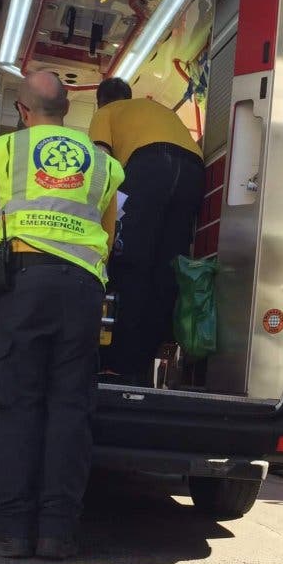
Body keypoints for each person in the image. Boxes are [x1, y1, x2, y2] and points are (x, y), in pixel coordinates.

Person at [0, 71, 124, 560]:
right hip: (81, 291)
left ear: (23, 110)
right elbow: (109, 230)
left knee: (16, 405)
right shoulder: (103, 165)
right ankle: (57, 532)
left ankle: (13, 529)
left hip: (25, 284)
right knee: (70, 408)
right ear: (69, 111)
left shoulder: (7, 150)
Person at [87, 77, 205, 385]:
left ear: (102, 101)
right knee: (168, 266)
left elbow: (100, 164)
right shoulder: (154, 109)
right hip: (193, 168)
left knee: (131, 263)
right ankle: (151, 360)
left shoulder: (106, 113)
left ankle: (120, 364)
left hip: (149, 165)